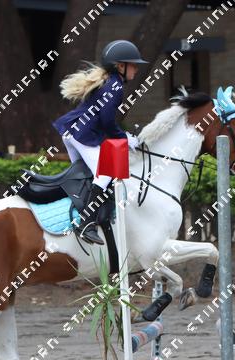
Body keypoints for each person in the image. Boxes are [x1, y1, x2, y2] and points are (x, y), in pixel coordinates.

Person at [52, 40, 147, 244]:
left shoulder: (109, 82)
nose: (136, 69)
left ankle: (76, 211)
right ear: (120, 66)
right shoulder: (115, 86)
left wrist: (123, 135)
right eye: (133, 65)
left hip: (72, 132)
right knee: (106, 174)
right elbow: (107, 121)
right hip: (82, 135)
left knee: (86, 174)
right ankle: (87, 223)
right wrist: (125, 138)